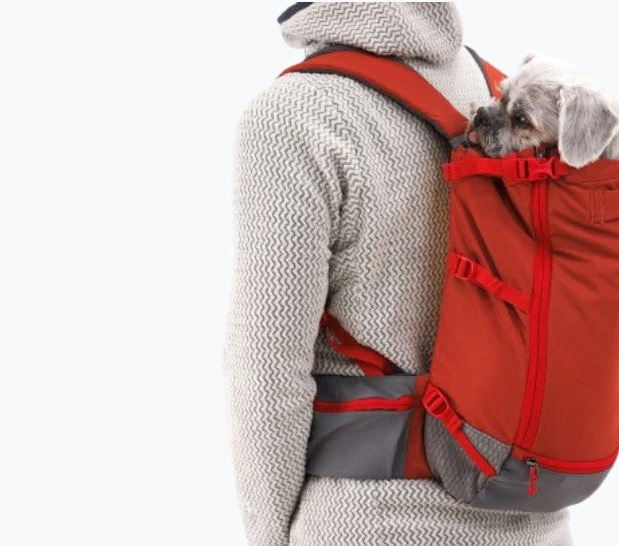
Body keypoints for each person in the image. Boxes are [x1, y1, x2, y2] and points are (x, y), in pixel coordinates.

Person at [223, 3, 572, 544]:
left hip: (371, 522)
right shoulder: (507, 97)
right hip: (535, 519)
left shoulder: (295, 114)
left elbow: (266, 373)